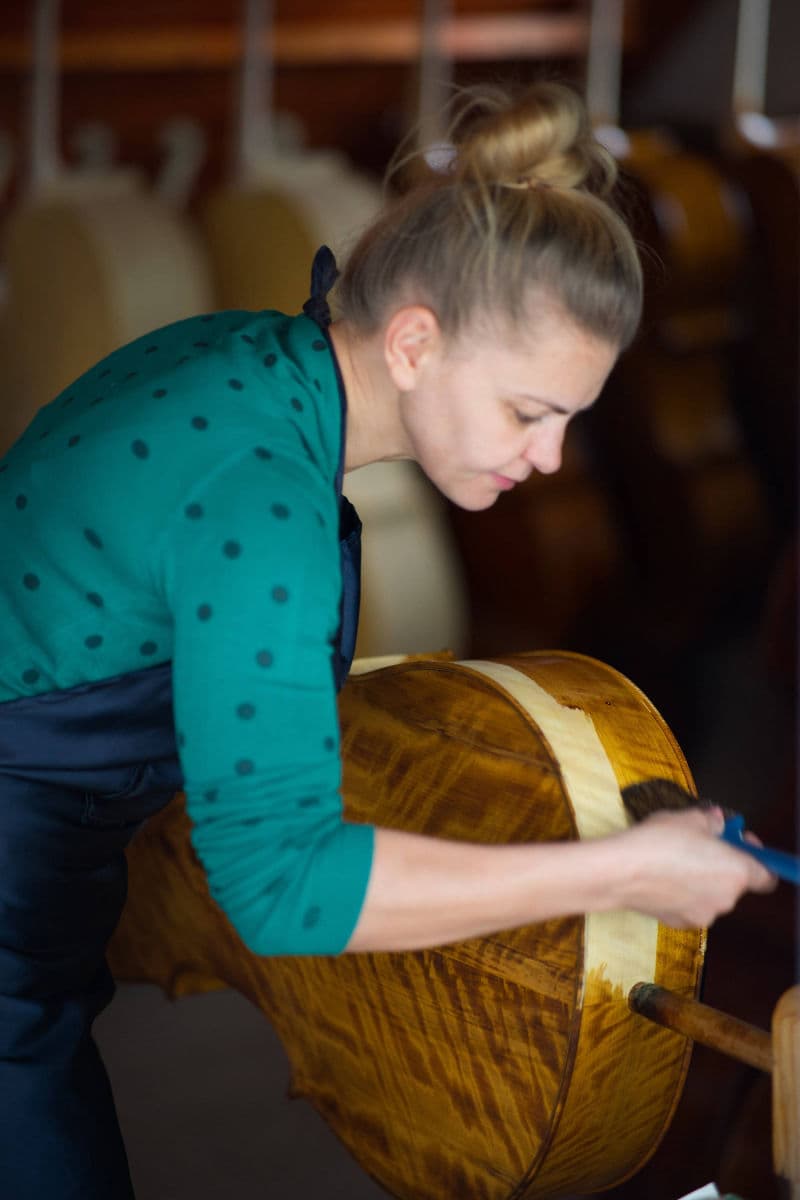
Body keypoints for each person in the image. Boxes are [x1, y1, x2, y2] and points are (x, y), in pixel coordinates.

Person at [0, 80, 774, 1199]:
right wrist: (619, 873)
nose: (550, 458)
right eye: (529, 411)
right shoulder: (265, 507)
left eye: (570, 419)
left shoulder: (243, 355)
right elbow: (284, 889)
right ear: (414, 341)